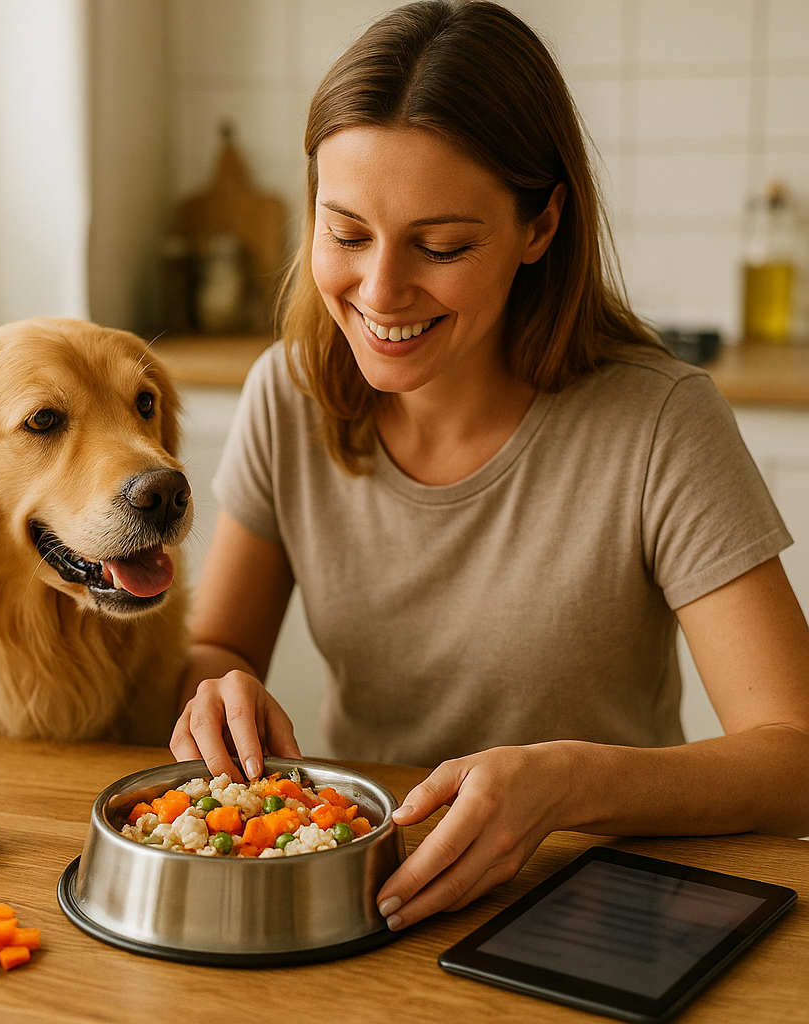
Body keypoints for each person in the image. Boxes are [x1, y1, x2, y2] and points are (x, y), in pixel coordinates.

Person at [169, 0, 809, 932]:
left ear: (540, 225)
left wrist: (561, 782)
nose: (380, 293)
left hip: (597, 902)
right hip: (359, 895)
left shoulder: (661, 423)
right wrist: (215, 688)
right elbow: (221, 649)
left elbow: (795, 759)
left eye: (441, 245)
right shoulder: (288, 393)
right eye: (346, 234)